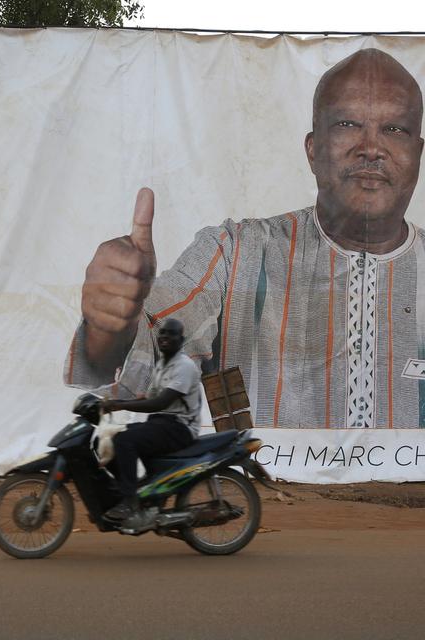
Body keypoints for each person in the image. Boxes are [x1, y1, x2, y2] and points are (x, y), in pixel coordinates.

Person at [65, 48, 425, 429]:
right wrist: (111, 328)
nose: (371, 148)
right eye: (347, 124)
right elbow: (152, 344)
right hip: (259, 486)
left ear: (417, 155)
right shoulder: (235, 253)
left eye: (395, 129)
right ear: (313, 150)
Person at [99, 318, 201, 520]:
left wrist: (119, 405)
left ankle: (129, 502)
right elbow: (148, 398)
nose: (165, 337)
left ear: (181, 339)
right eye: (162, 333)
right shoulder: (162, 365)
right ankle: (129, 491)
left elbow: (160, 403)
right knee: (110, 440)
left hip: (180, 427)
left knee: (124, 440)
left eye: (171, 334)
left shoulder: (184, 366)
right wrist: (113, 401)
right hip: (161, 423)